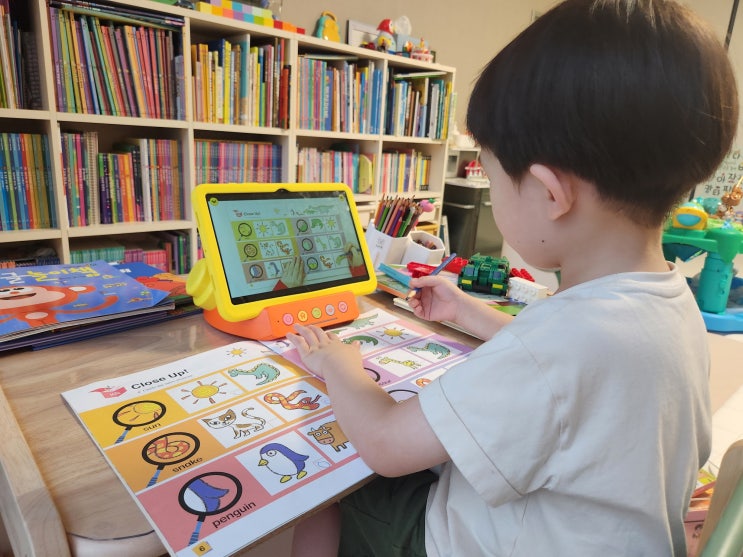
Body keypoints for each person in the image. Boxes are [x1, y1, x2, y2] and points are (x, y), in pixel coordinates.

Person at [286, 0, 738, 555]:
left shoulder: (563, 344)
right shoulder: (666, 304)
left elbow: (383, 443)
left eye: (492, 176)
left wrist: (339, 366)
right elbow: (576, 376)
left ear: (550, 193)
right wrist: (467, 310)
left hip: (470, 544)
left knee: (327, 494)